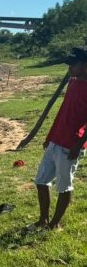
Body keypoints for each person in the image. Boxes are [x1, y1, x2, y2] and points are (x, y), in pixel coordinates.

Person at [34, 46, 87, 230]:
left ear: (85, 65)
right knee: (41, 181)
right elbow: (62, 112)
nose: (70, 68)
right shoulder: (72, 82)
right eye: (69, 64)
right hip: (56, 140)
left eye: (74, 64)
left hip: (71, 145)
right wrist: (50, 136)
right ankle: (43, 220)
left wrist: (79, 145)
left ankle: (55, 224)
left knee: (64, 187)